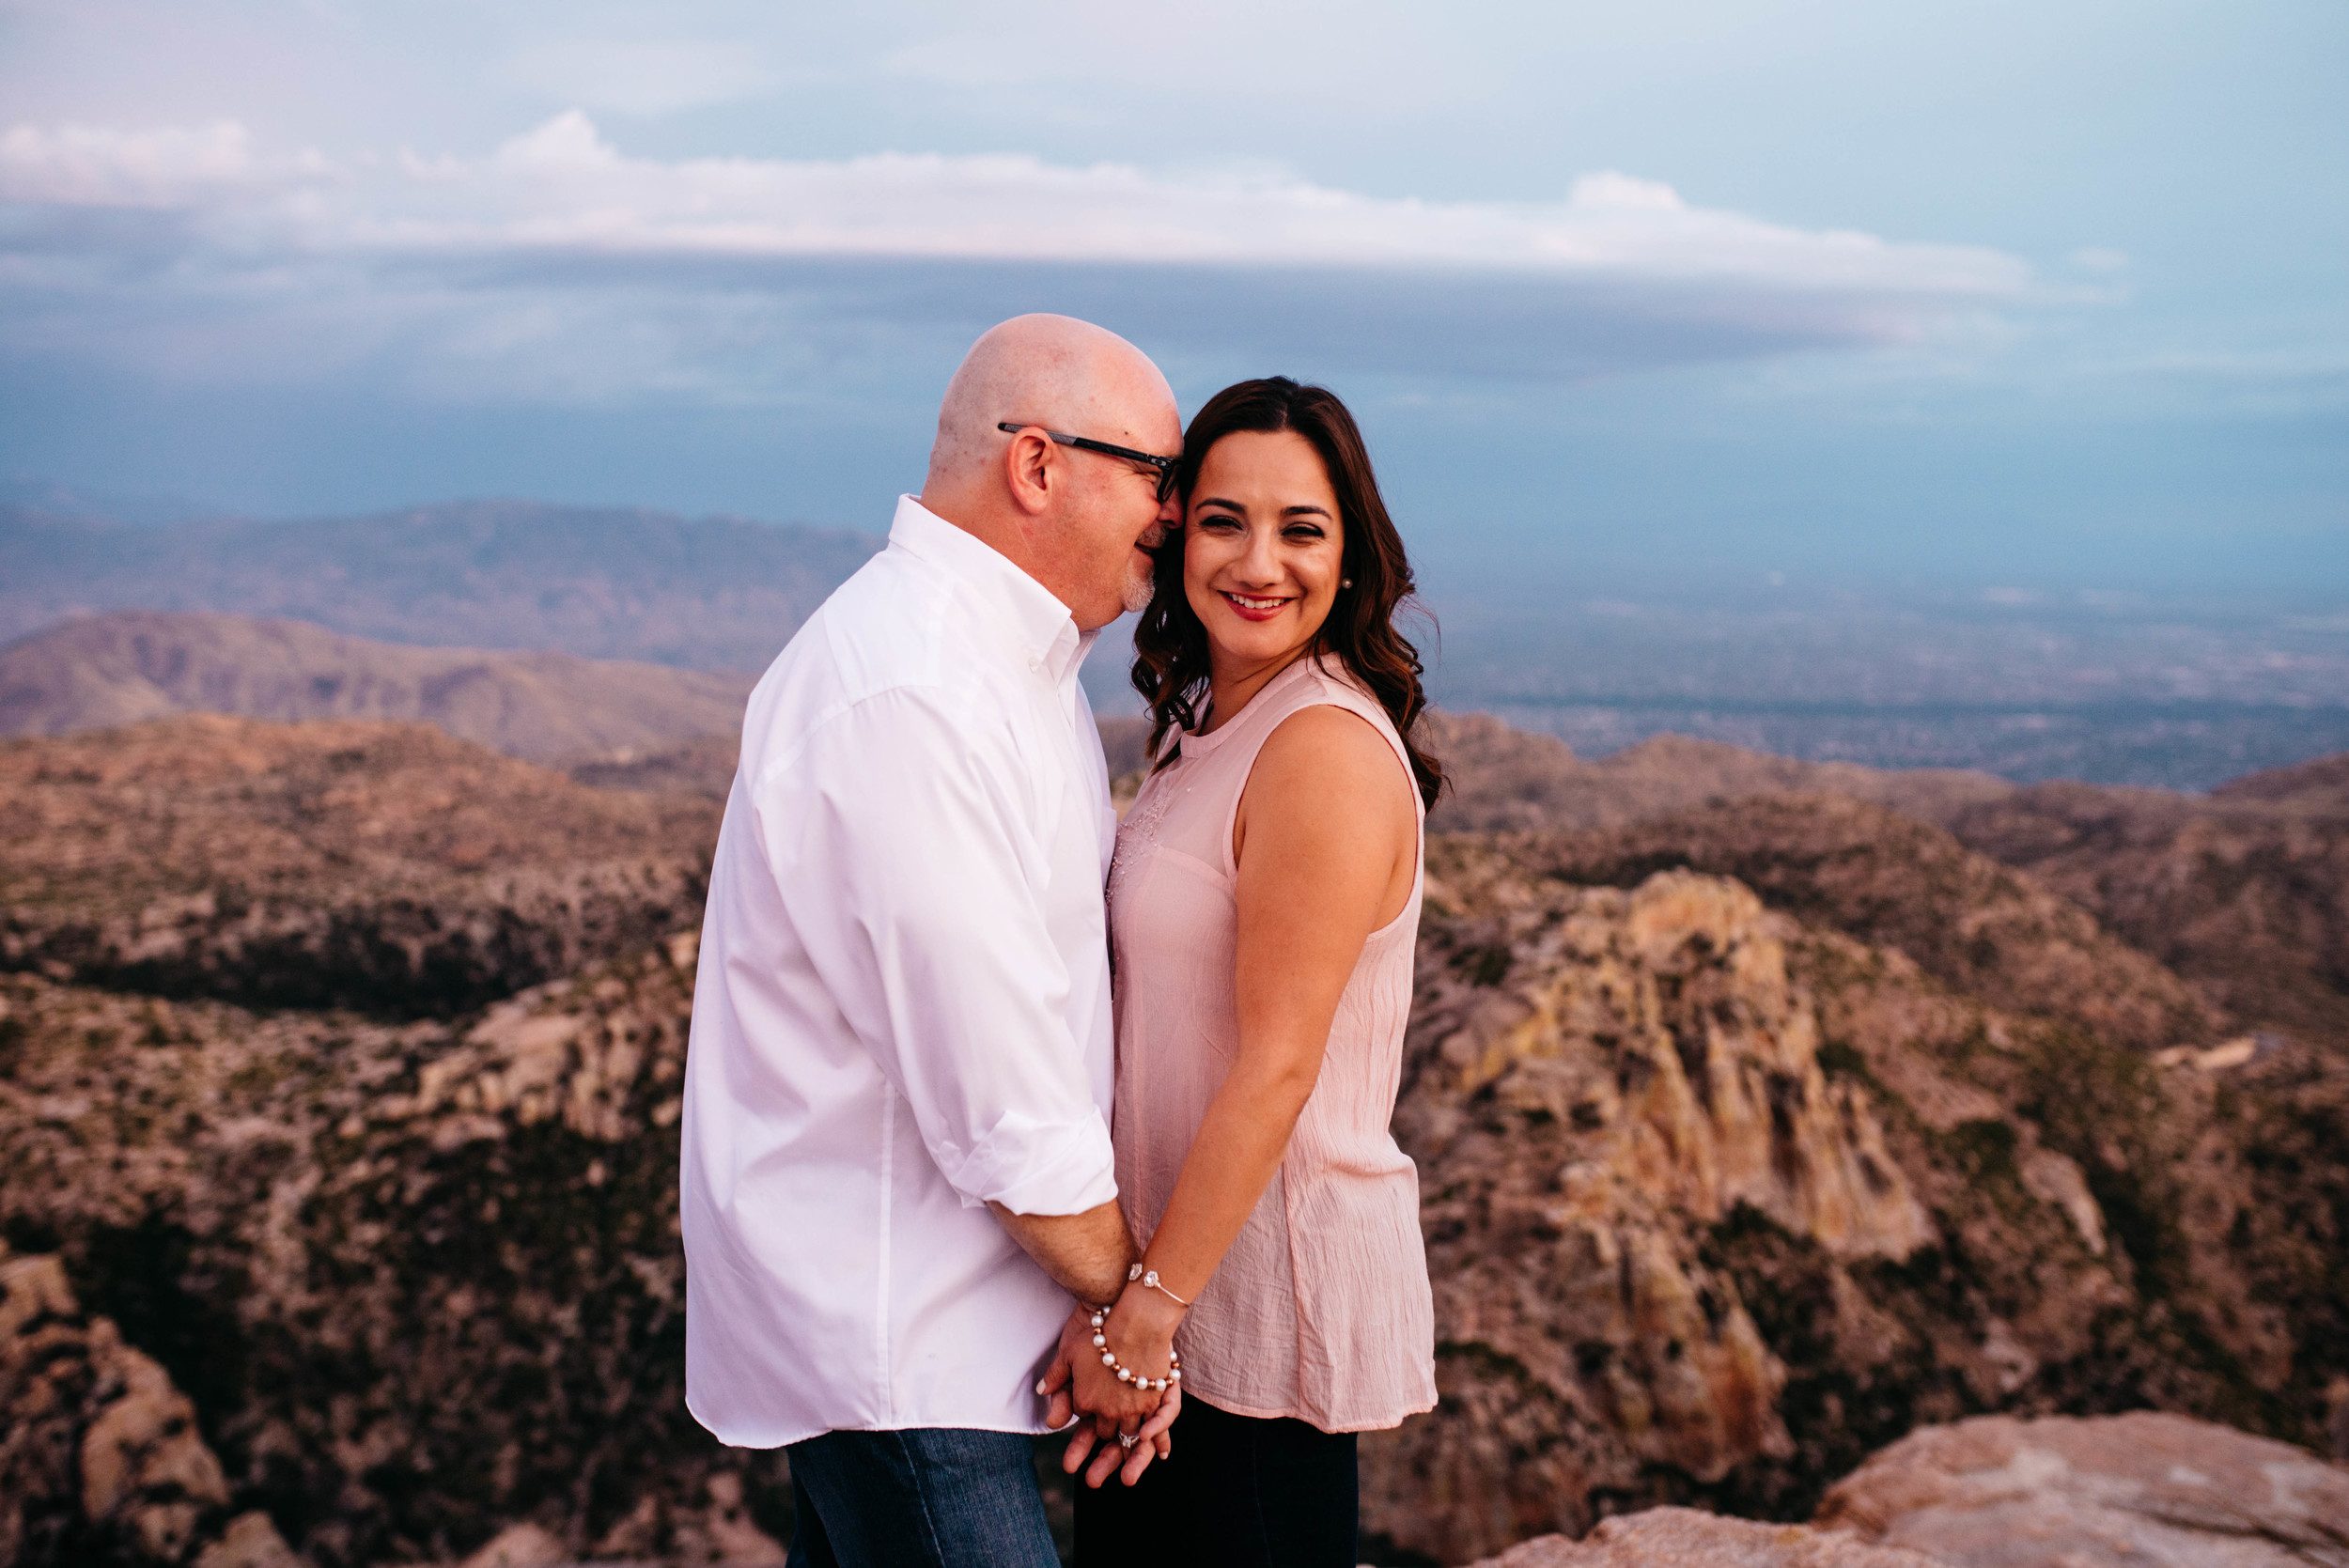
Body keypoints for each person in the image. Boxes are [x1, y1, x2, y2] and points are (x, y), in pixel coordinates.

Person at [679, 314, 1189, 1568]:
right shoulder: (913, 690)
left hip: (935, 1335)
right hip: (902, 1342)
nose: (1175, 516)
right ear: (1037, 466)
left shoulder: (1014, 672)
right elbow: (1004, 1097)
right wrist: (1136, 1323)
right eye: (1155, 478)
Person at [1041, 377, 1443, 1565]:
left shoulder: (1320, 747)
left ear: (1352, 556)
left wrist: (1142, 1324)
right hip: (1167, 1296)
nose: (1257, 561)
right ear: (1177, 536)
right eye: (1223, 520)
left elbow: (1277, 1066)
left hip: (1251, 1305)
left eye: (1301, 529)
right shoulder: (1209, 719)